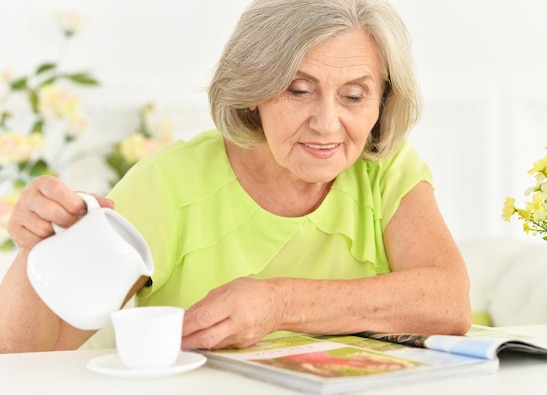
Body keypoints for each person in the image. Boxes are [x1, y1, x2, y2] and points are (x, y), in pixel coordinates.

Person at [0, 0, 471, 353]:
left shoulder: (384, 167)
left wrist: (281, 304)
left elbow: (449, 301)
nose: (328, 124)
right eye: (299, 90)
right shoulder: (169, 185)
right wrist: (36, 246)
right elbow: (28, 359)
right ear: (253, 90)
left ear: (382, 101)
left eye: (353, 97)